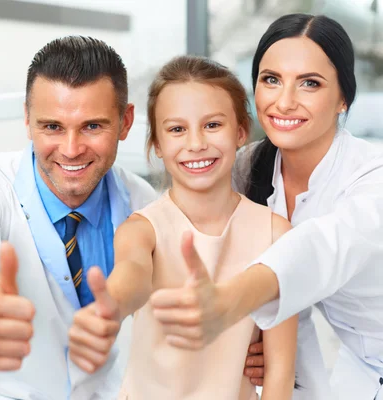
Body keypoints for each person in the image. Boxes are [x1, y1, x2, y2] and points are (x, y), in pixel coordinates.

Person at [0, 36, 156, 400]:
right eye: (52, 127)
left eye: (93, 126)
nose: (71, 149)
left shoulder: (144, 203)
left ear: (125, 122)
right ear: (27, 120)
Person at [162, 14, 383, 400]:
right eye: (271, 79)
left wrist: (230, 301)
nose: (284, 101)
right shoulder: (247, 168)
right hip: (357, 363)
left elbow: (319, 249)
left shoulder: (372, 177)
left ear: (343, 98)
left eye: (310, 84)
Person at [68, 55, 299, 399]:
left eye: (212, 125)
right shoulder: (141, 229)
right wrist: (111, 306)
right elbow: (132, 273)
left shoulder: (276, 234)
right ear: (158, 145)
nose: (195, 144)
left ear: (240, 132)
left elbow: (280, 373)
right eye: (177, 129)